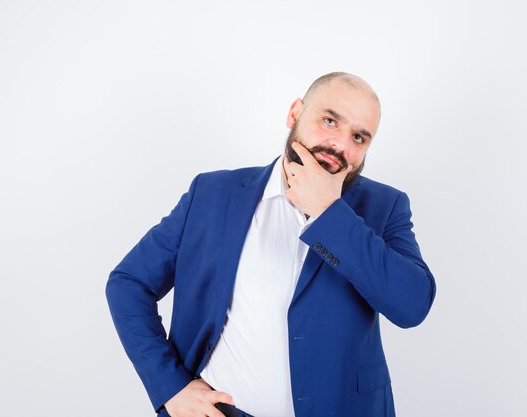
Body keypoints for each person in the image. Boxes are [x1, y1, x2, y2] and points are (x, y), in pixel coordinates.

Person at [106, 72, 437, 417]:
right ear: (295, 113)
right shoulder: (212, 193)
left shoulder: (386, 206)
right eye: (329, 121)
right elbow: (129, 283)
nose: (340, 145)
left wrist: (328, 213)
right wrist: (170, 387)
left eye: (358, 136)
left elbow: (412, 306)